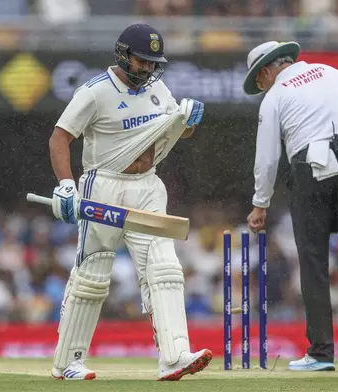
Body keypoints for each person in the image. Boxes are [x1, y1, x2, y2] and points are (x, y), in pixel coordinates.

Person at [46, 23, 210, 381]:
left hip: (148, 186)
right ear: (122, 54)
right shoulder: (94, 92)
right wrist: (66, 186)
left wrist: (189, 120)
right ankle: (67, 362)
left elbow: (178, 128)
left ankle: (174, 356)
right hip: (102, 184)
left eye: (154, 63)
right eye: (142, 61)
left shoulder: (158, 88)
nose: (148, 69)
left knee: (165, 268)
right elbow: (59, 138)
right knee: (93, 276)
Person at [243, 41, 338, 371]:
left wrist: (260, 204)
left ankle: (321, 353)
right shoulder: (330, 71)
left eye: (258, 80)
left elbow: (267, 157)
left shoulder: (275, 96)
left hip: (310, 169)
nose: (259, 86)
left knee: (313, 263)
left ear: (267, 70)